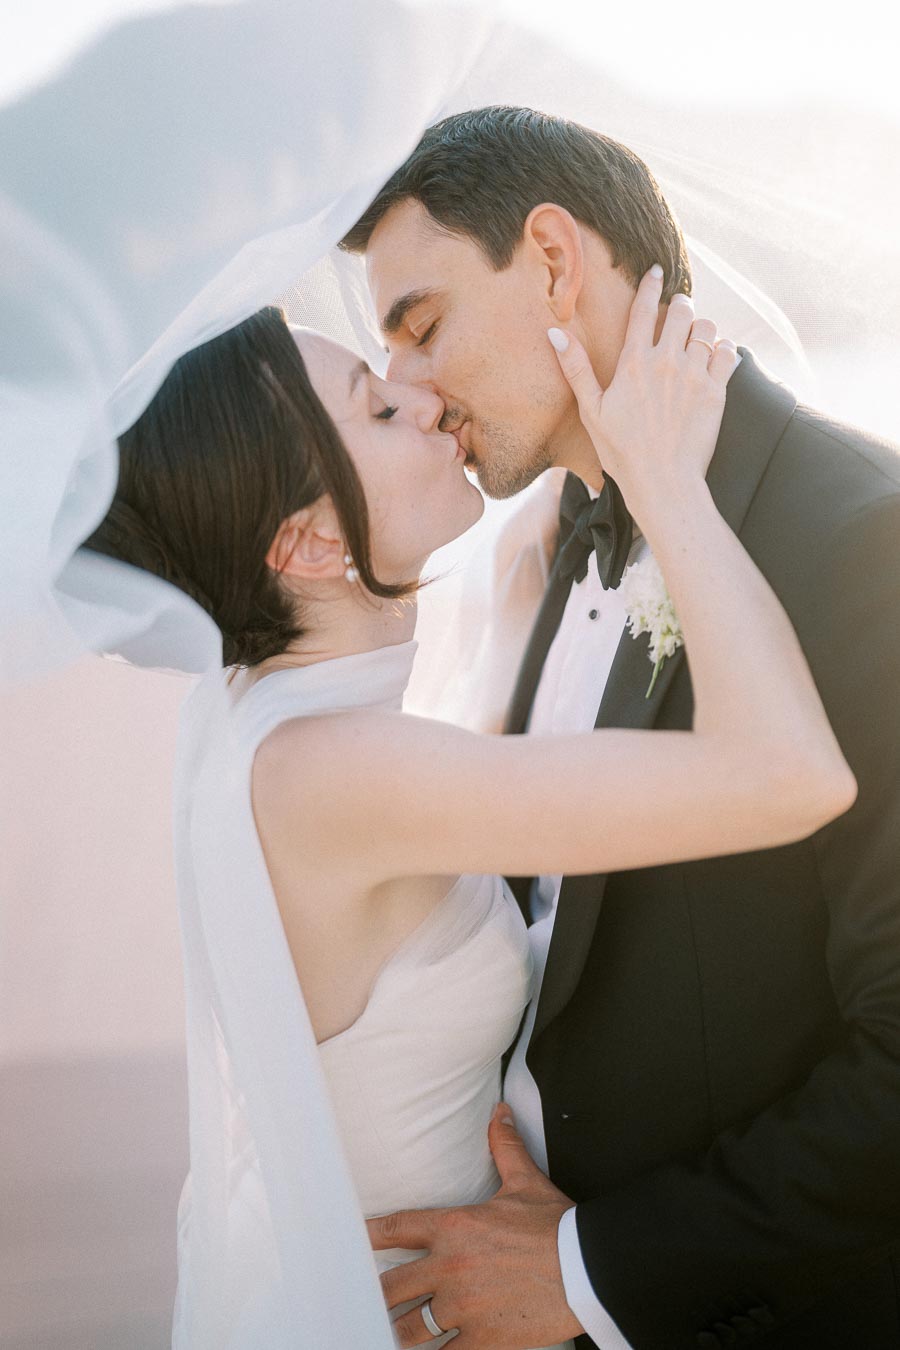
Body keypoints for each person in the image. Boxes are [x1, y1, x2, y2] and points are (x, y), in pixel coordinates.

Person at [82, 279, 854, 1348]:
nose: (427, 402)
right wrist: (668, 485)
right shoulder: (332, 774)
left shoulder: (281, 723)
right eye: (377, 408)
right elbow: (788, 776)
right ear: (306, 546)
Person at [340, 105, 900, 1349]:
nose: (412, 394)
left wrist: (591, 1270)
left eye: (422, 329)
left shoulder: (863, 542)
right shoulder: (562, 541)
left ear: (552, 256)